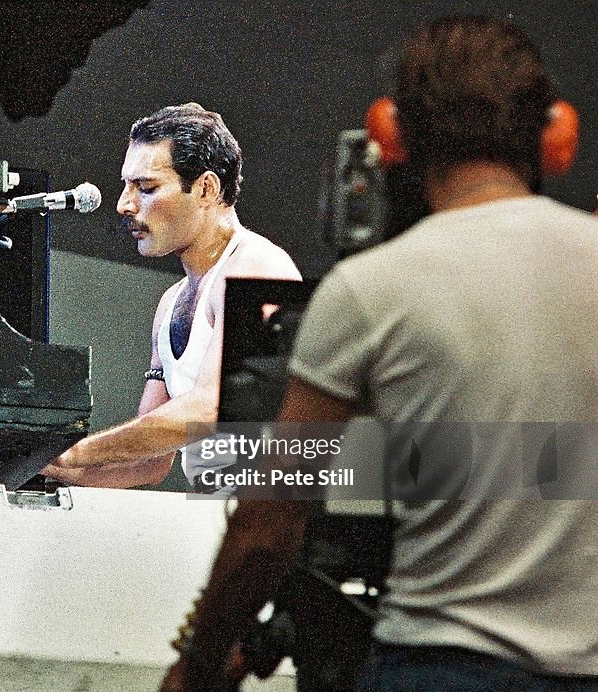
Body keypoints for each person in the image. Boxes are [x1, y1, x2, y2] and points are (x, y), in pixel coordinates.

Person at [161, 16, 598, 691]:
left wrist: (197, 664)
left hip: (433, 666)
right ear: (555, 137)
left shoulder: (371, 289)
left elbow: (268, 525)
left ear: (391, 138)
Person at [42, 103, 300, 489]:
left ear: (206, 188)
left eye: (145, 188)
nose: (124, 204)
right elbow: (150, 463)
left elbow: (210, 405)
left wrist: (78, 452)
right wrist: (42, 466)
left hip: (288, 516)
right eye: (127, 186)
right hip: (223, 517)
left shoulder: (257, 266)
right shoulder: (170, 303)